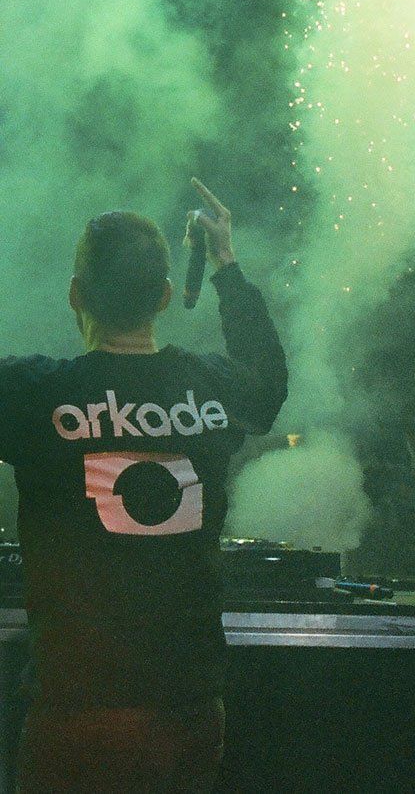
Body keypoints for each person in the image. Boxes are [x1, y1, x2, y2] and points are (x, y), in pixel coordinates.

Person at [0, 179, 287, 791]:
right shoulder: (211, 388)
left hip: (75, 709)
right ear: (163, 296)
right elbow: (267, 378)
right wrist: (225, 263)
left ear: (75, 295)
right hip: (187, 710)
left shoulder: (35, 394)